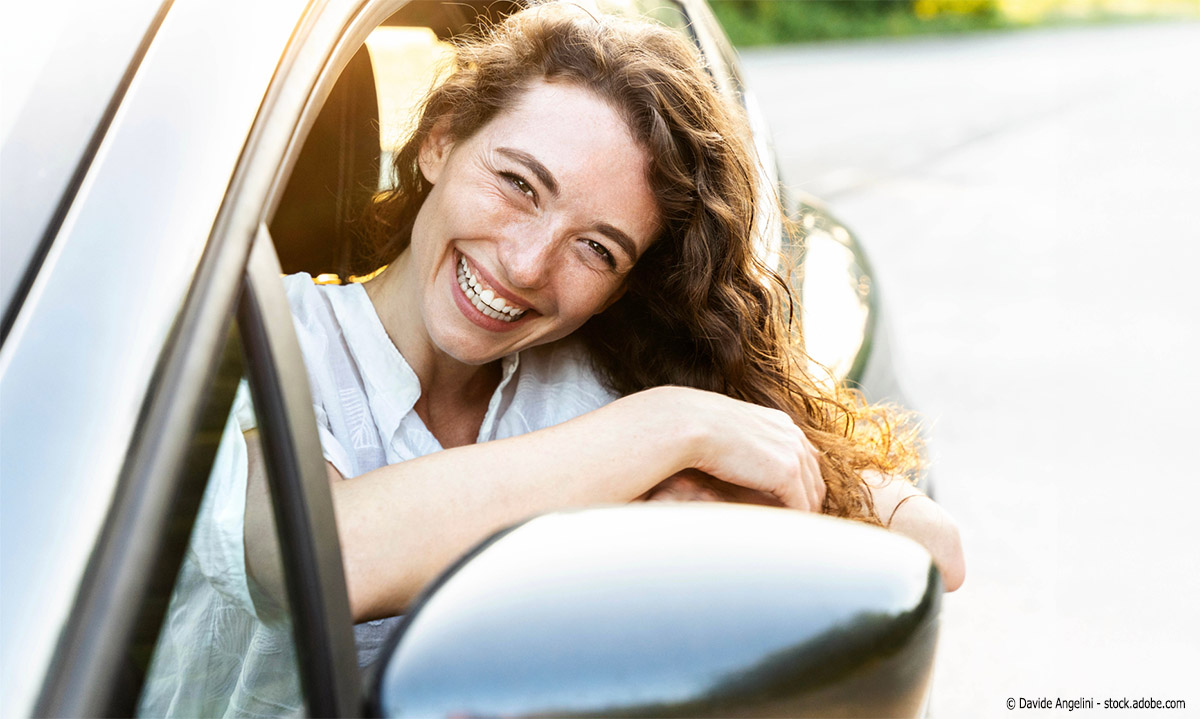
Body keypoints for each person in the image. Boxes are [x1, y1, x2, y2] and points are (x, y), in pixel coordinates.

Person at [141, 4, 963, 716]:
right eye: (519, 185)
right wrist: (666, 430)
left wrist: (701, 509)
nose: (528, 263)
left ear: (624, 286)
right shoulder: (253, 333)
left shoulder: (593, 378)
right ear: (439, 142)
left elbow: (931, 544)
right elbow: (317, 553)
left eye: (597, 249)